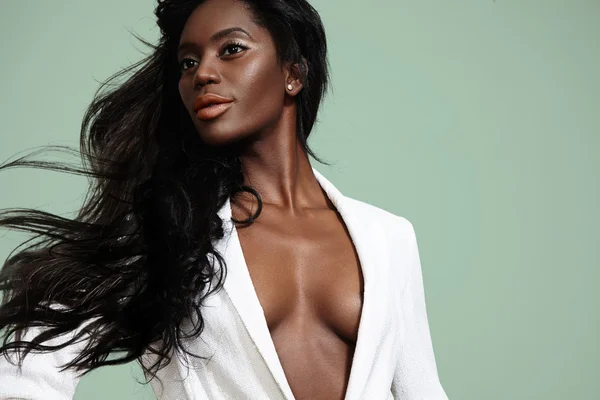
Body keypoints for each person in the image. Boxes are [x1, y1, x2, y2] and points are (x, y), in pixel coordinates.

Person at [0, 0, 449, 399]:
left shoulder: (388, 238)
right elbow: (27, 368)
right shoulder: (167, 230)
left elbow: (421, 390)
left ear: (293, 73)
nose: (203, 74)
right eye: (188, 63)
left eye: (230, 49)